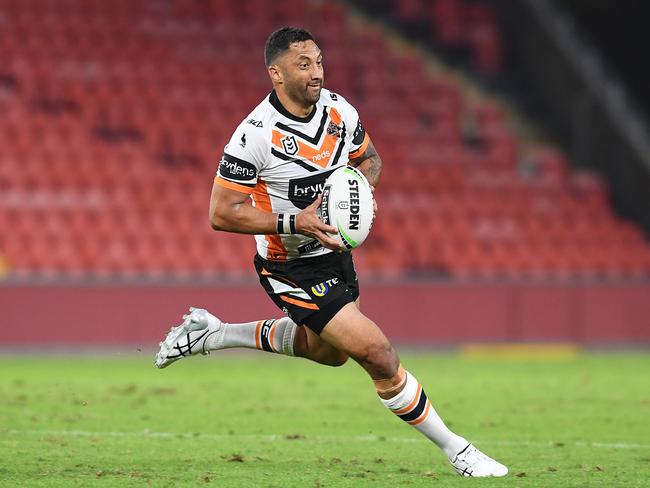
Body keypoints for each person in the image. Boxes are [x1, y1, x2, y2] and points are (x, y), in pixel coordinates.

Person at [155, 27, 508, 478]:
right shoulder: (254, 135)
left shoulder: (340, 111)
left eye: (319, 61)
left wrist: (358, 193)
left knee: (328, 352)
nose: (317, 72)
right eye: (304, 64)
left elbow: (371, 159)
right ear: (276, 74)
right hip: (289, 266)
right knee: (378, 355)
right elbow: (221, 214)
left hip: (335, 254)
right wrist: (296, 221)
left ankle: (216, 333)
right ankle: (458, 450)